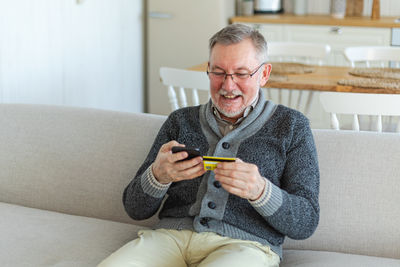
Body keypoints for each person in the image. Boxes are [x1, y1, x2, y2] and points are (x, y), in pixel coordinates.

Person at [99, 23, 320, 267]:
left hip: (245, 246)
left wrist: (260, 191)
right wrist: (157, 176)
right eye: (218, 72)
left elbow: (306, 221)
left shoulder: (292, 126)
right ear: (208, 70)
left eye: (241, 73)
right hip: (170, 238)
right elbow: (134, 208)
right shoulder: (180, 121)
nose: (228, 85)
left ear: (264, 74)